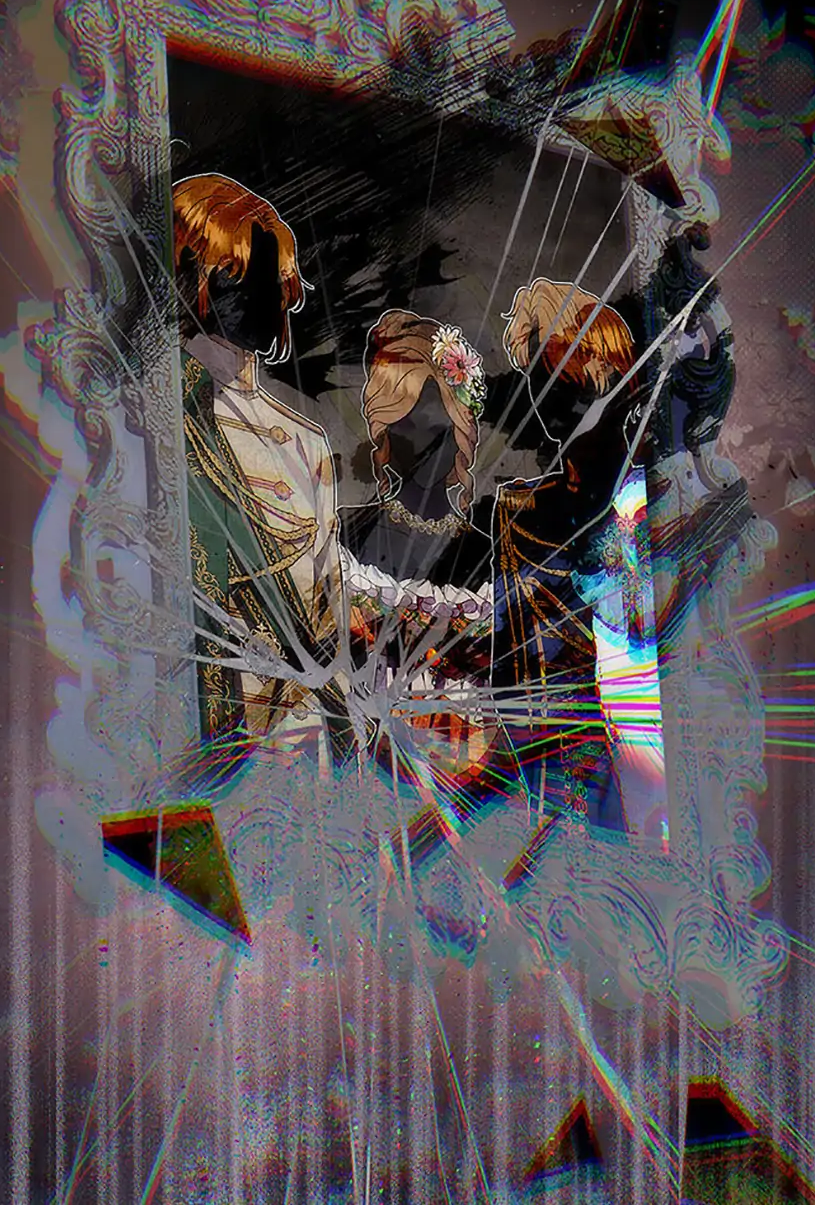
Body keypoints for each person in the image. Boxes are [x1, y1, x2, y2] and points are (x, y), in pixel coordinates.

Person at [173, 172, 353, 772]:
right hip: (206, 736)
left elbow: (328, 612)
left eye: (264, 279)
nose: (253, 297)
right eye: (229, 275)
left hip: (300, 744)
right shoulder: (164, 420)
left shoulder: (305, 442)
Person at [492, 278, 637, 857]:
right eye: (538, 380)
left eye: (561, 382)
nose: (545, 401)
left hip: (604, 768)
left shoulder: (639, 498)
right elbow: (506, 647)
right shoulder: (520, 506)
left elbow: (641, 633)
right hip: (523, 763)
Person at [338, 310, 496, 769]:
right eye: (406, 419)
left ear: (461, 426)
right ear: (385, 428)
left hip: (466, 780)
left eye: (437, 419)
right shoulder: (349, 534)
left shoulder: (486, 551)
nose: (425, 438)